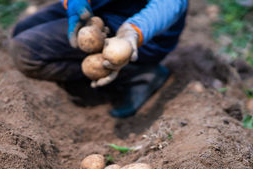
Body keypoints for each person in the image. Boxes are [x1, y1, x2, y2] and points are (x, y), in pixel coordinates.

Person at [10, 0, 188, 118]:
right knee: (22, 29)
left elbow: (170, 4)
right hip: (106, 6)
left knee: (26, 52)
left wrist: (134, 31)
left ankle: (135, 74)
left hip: (142, 25)